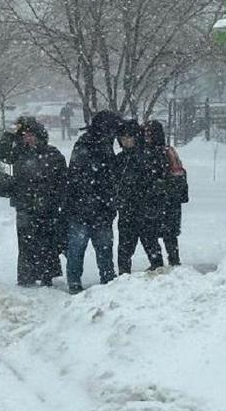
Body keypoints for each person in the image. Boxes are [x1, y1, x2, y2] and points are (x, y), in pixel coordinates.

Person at [62, 110, 122, 294]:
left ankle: (81, 280)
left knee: (83, 247)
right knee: (92, 247)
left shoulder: (91, 143)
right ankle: (104, 279)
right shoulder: (93, 145)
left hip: (90, 207)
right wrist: (105, 200)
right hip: (90, 207)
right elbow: (83, 178)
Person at [8, 116, 67, 287]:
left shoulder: (53, 154)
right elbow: (3, 153)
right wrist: (12, 132)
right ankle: (27, 275)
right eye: (24, 135)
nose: (27, 138)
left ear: (40, 135)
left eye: (31, 134)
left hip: (47, 206)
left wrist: (56, 200)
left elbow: (62, 180)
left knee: (47, 242)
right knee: (26, 243)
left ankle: (47, 275)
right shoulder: (18, 153)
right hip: (25, 205)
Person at [115, 119, 167, 273]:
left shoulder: (149, 156)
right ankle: (124, 274)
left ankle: (157, 270)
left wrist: (151, 202)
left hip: (145, 209)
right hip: (127, 209)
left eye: (128, 137)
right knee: (125, 246)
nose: (125, 141)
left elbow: (156, 183)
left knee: (150, 242)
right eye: (122, 138)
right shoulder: (120, 159)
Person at [144, 120, 188, 267]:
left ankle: (158, 263)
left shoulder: (152, 153)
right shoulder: (169, 151)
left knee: (152, 234)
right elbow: (180, 176)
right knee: (169, 235)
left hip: (158, 201)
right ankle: (173, 261)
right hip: (170, 202)